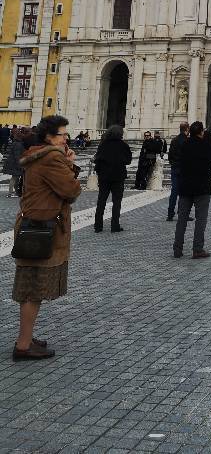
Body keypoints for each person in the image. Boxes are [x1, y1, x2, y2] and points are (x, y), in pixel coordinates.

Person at [11, 115, 81, 360]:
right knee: (33, 290)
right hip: (42, 229)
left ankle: (27, 337)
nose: (66, 139)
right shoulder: (52, 159)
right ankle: (23, 345)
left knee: (32, 287)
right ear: (49, 138)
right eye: (62, 134)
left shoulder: (37, 154)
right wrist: (70, 165)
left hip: (32, 225)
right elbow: (71, 190)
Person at [173, 121, 211, 259]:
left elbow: (178, 161)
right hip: (202, 186)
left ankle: (177, 249)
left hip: (185, 186)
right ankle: (197, 249)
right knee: (200, 219)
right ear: (201, 132)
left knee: (182, 219)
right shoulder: (206, 145)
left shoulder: (184, 144)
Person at [93, 125, 131, 233]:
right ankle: (115, 226)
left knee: (101, 201)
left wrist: (99, 171)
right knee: (117, 202)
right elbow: (128, 160)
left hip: (104, 177)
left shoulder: (103, 144)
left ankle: (98, 226)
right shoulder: (123, 145)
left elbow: (98, 159)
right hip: (118, 177)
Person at [167, 122, 190, 221]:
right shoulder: (188, 141)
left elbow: (170, 156)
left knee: (174, 192)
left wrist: (173, 163)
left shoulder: (174, 140)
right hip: (184, 169)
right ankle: (182, 213)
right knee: (184, 193)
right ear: (187, 129)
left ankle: (170, 214)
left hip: (175, 168)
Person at [2, 127, 29, 197]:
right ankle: (10, 193)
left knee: (15, 177)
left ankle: (13, 192)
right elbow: (17, 155)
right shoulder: (18, 144)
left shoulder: (16, 142)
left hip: (12, 162)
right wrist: (19, 164)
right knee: (14, 178)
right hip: (15, 163)